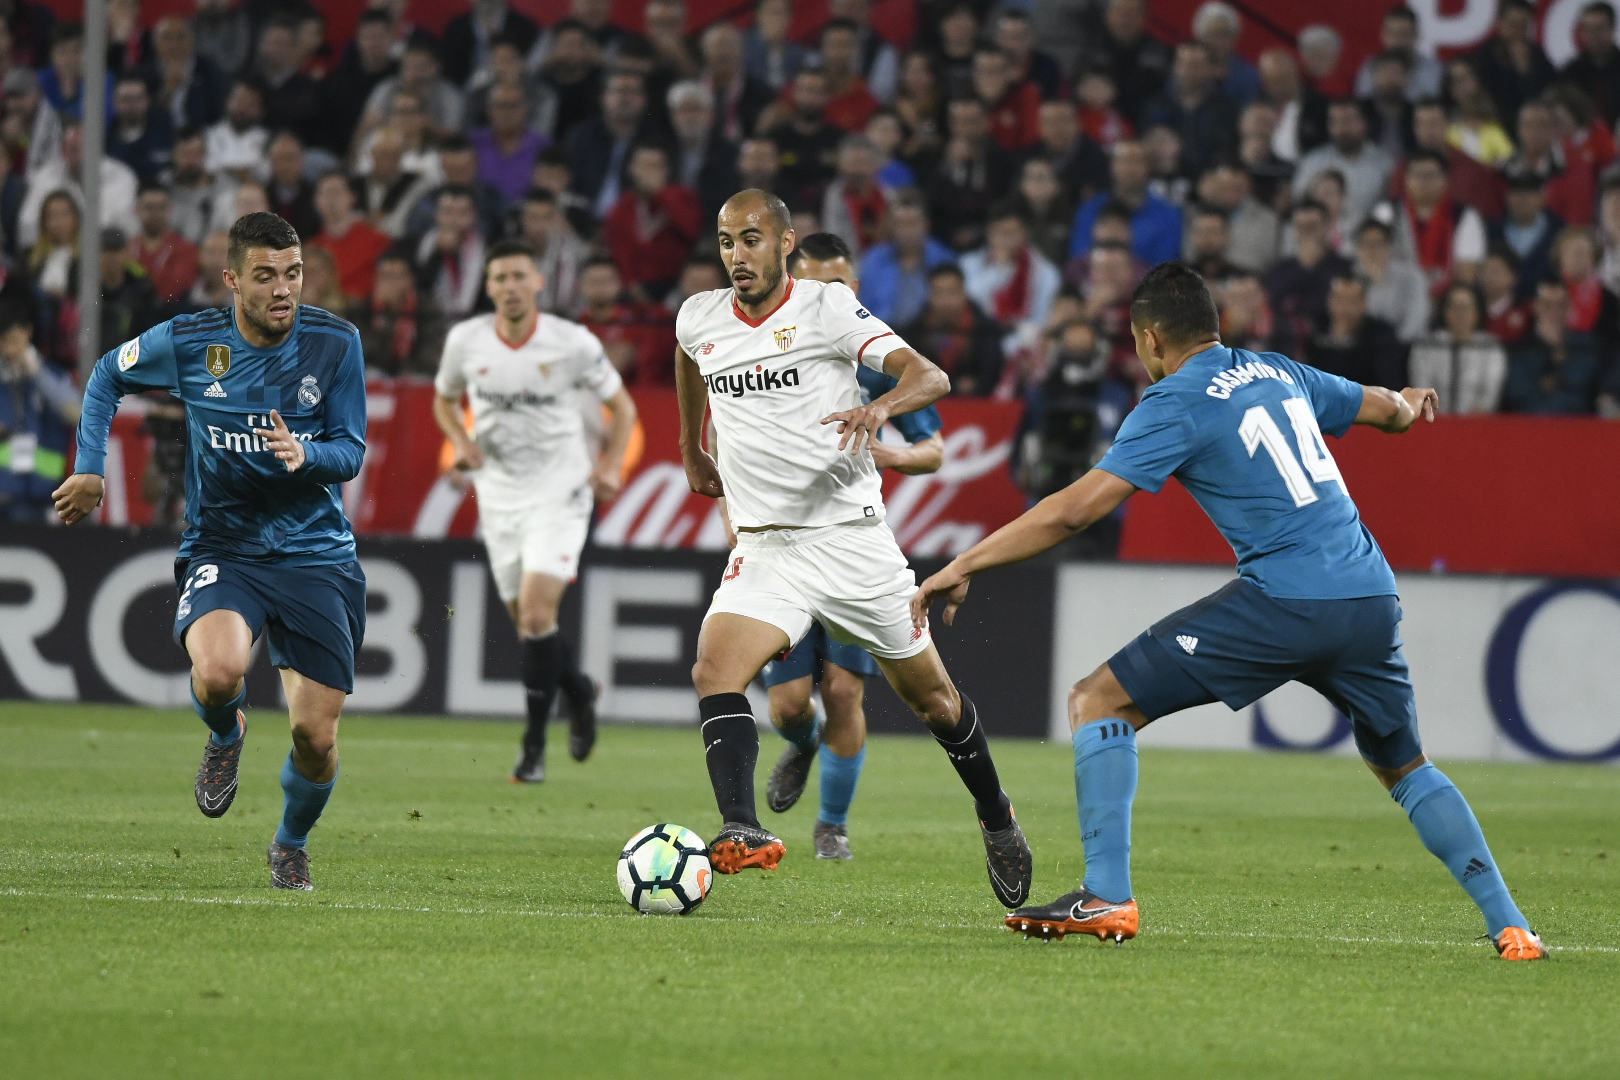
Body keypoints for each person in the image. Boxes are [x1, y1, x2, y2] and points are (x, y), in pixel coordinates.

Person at [911, 261, 1546, 962]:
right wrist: (1407, 401)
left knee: (1098, 701)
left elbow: (1075, 512)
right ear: (1215, 327)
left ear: (1150, 339)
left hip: (1286, 599)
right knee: (1405, 766)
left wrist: (965, 562)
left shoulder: (1175, 399)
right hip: (1370, 595)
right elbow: (1384, 410)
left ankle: (1107, 895)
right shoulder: (1279, 371)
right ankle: (1511, 925)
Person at [673, 189, 1032, 900]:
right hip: (767, 545)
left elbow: (930, 375)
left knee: (933, 701)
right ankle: (742, 827)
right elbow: (689, 356)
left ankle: (997, 814)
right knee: (716, 669)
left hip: (849, 541)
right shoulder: (700, 316)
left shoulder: (826, 308)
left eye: (750, 240)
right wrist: (692, 445)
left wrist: (880, 407)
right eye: (724, 242)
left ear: (784, 244)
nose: (736, 256)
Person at [54, 212, 368, 892]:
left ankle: (290, 842)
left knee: (316, 740)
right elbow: (108, 374)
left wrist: (304, 455)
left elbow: (350, 451)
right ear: (232, 279)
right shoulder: (192, 342)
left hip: (316, 556)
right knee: (221, 672)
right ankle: (226, 732)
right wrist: (90, 467)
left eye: (292, 274)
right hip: (225, 546)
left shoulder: (336, 343)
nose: (282, 289)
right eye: (265, 276)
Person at [752, 232, 946, 860]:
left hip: (849, 542)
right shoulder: (766, 352)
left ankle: (832, 826)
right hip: (782, 544)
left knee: (843, 692)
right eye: (816, 283)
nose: (829, 294)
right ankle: (802, 743)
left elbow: (936, 449)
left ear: (854, 290)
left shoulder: (877, 355)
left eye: (840, 285)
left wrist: (894, 452)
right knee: (786, 707)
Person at [433, 239, 636, 782]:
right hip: (499, 495)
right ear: (489, 286)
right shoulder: (466, 341)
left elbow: (624, 406)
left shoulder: (571, 343)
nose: (510, 286)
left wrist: (611, 464)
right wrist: (461, 441)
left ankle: (532, 748)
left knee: (538, 614)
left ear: (539, 282)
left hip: (561, 491)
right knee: (529, 629)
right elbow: (443, 398)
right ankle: (579, 690)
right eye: (499, 278)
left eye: (519, 275)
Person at [0, 309, 79, 521]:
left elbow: (77, 414)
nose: (10, 350)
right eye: (4, 342)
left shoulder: (52, 375)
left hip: (37, 496)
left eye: (14, 341)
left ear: (28, 333)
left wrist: (38, 375)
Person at [602, 143, 701, 301]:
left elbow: (691, 231)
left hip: (677, 283)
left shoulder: (682, 197)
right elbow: (619, 253)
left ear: (667, 170)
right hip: (636, 288)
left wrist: (662, 194)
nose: (651, 172)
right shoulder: (621, 209)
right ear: (632, 169)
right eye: (645, 166)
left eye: (657, 166)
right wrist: (632, 286)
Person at [1069, 139, 1183, 266]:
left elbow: (1165, 267)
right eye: (1124, 161)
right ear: (1112, 166)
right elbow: (1079, 262)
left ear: (1148, 167)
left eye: (1137, 161)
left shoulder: (1168, 215)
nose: (1130, 168)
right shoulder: (1089, 210)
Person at [902, 263, 1006, 396]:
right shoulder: (915, 331)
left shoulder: (985, 330)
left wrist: (976, 385)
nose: (945, 301)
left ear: (964, 293)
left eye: (952, 292)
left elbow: (992, 374)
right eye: (938, 292)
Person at [1408, 282, 1506, 413]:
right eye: (1454, 306)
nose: (1461, 313)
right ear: (1445, 311)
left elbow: (1490, 394)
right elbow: (1421, 390)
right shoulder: (1426, 346)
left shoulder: (1490, 348)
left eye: (1466, 307)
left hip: (1477, 424)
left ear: (1477, 312)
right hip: (1434, 422)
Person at [858, 197, 955, 328]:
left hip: (929, 337)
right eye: (902, 224)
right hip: (883, 337)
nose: (908, 232)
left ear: (926, 224)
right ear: (892, 227)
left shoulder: (944, 260)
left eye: (913, 223)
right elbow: (863, 310)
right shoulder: (873, 261)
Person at [1505, 280, 1598, 413]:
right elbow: (1520, 396)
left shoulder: (1586, 348)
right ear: (1535, 307)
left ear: (1570, 307)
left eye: (1561, 305)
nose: (1555, 312)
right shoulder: (1519, 351)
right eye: (1547, 305)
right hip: (1531, 427)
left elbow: (1587, 394)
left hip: (1578, 427)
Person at [1302, 273, 1407, 388]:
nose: (1344, 307)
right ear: (1329, 301)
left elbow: (1389, 384)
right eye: (1339, 299)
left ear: (1363, 303)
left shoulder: (1382, 337)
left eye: (1351, 301)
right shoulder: (1317, 333)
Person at [355, 248, 442, 377]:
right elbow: (364, 355)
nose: (391, 283)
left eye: (397, 277)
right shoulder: (364, 309)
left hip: (415, 375)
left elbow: (429, 357)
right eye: (385, 276)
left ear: (410, 279)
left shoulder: (427, 309)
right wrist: (386, 320)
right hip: (377, 376)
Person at [308, 173, 392, 303]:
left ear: (352, 197)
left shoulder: (377, 241)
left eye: (337, 192)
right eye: (326, 193)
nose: (332, 199)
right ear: (316, 201)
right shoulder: (311, 249)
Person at [1352, 218, 1429, 345]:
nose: (1371, 250)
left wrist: (1392, 348)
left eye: (1377, 244)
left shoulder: (1412, 278)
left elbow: (1416, 320)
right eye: (1365, 244)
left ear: (1389, 247)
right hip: (1360, 350)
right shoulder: (1351, 277)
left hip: (1402, 348)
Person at [130, 182, 200, 306]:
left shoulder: (185, 250)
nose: (155, 213)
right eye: (149, 207)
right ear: (136, 210)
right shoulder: (128, 248)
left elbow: (171, 291)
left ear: (169, 210)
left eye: (161, 207)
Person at [1353, 6, 1442, 102]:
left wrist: (1406, 86)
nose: (1397, 40)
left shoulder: (1431, 68)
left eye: (1404, 34)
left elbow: (1434, 104)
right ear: (1383, 35)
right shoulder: (1371, 66)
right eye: (1392, 34)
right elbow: (1361, 103)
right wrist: (1381, 87)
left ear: (1416, 35)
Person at [1562, 2, 1620, 126]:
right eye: (1587, 29)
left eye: (1599, 28)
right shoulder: (1571, 72)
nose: (1593, 35)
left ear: (1612, 29)